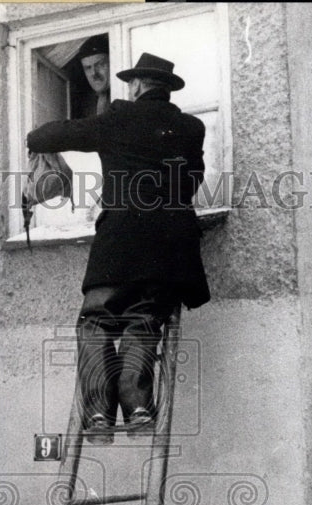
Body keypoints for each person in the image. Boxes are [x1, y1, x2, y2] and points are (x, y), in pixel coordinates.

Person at [27, 52, 210, 441]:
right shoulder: (191, 128)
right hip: (171, 249)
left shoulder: (118, 117)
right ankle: (139, 408)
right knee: (144, 320)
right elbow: (191, 182)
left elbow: (46, 137)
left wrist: (35, 138)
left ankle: (98, 414)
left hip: (122, 242)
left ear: (137, 85)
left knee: (95, 322)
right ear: (166, 89)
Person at [76, 35, 111, 115]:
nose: (94, 73)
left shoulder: (122, 92)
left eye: (100, 65)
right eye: (88, 68)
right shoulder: (86, 104)